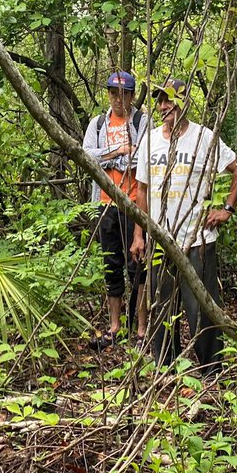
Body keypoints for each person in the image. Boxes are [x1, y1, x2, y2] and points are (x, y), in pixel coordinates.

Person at [130, 78, 237, 372]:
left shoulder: (203, 138)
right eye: (159, 100)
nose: (163, 105)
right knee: (161, 308)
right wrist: (138, 234)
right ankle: (165, 367)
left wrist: (227, 209)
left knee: (201, 310)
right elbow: (141, 190)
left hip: (197, 240)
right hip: (160, 240)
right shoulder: (151, 141)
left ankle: (211, 371)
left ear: (184, 101)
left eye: (170, 99)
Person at [82, 70, 150, 349]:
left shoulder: (141, 121)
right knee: (112, 267)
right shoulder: (98, 124)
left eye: (123, 94)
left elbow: (145, 156)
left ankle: (142, 329)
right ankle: (114, 327)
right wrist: (116, 153)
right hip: (106, 204)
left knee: (139, 266)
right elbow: (87, 154)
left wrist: (122, 156)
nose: (117, 99)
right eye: (112, 93)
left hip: (134, 204)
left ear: (132, 96)